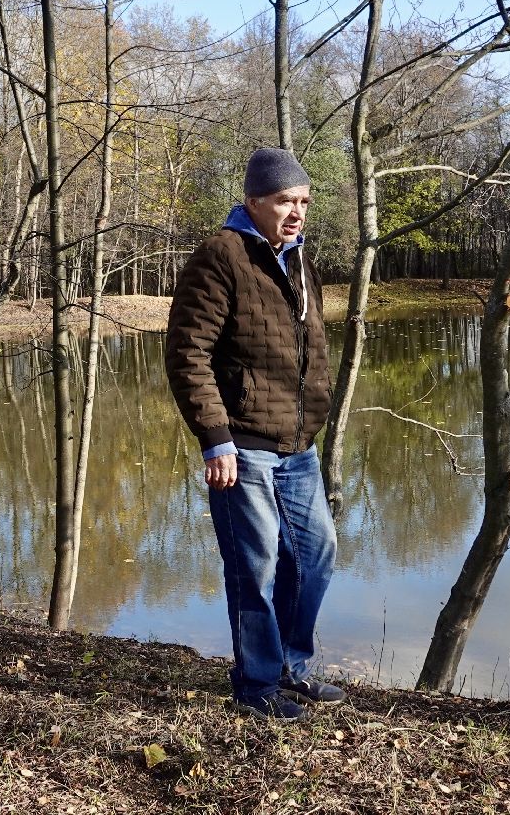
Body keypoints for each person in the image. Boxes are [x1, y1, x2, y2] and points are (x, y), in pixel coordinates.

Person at [164, 148, 343, 721]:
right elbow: (187, 353)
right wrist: (215, 436)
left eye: (304, 202)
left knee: (315, 556)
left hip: (298, 445)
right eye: (285, 201)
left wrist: (317, 409)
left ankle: (292, 664)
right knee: (256, 564)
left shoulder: (299, 260)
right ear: (253, 202)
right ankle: (257, 683)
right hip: (241, 446)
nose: (297, 213)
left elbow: (310, 345)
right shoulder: (222, 255)